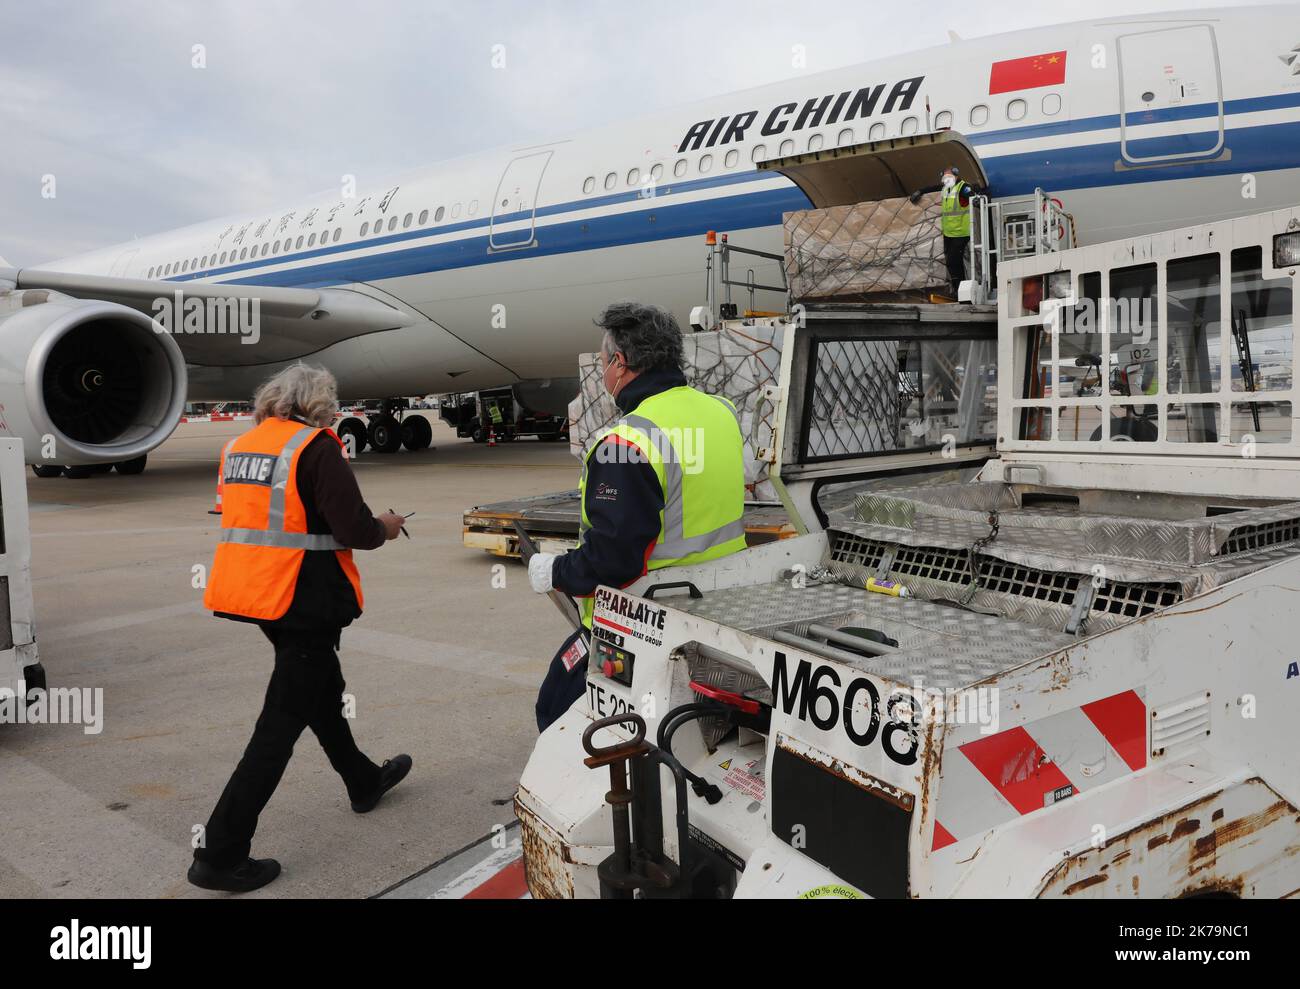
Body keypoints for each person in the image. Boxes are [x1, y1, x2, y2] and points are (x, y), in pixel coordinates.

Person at [188, 364, 411, 893]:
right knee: (279, 726)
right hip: (305, 600)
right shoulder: (315, 448)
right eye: (330, 404)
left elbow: (250, 517)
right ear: (317, 406)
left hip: (260, 596)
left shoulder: (240, 446)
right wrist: (388, 524)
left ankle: (362, 780)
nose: (333, 412)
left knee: (320, 692)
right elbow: (353, 529)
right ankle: (220, 851)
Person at [528, 302, 748, 731]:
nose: (603, 371)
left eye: (603, 360)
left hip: (643, 620)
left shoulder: (627, 441)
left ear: (621, 364)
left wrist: (555, 570)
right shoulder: (721, 411)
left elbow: (613, 561)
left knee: (555, 711)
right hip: (725, 607)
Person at [912, 166, 983, 297]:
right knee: (952, 261)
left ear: (956, 176)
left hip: (961, 233)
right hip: (949, 233)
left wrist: (976, 199)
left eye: (949, 176)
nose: (946, 179)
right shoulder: (947, 188)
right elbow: (933, 188)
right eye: (944, 176)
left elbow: (971, 195)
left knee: (953, 261)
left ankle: (960, 290)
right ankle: (959, 288)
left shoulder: (962, 187)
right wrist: (919, 191)